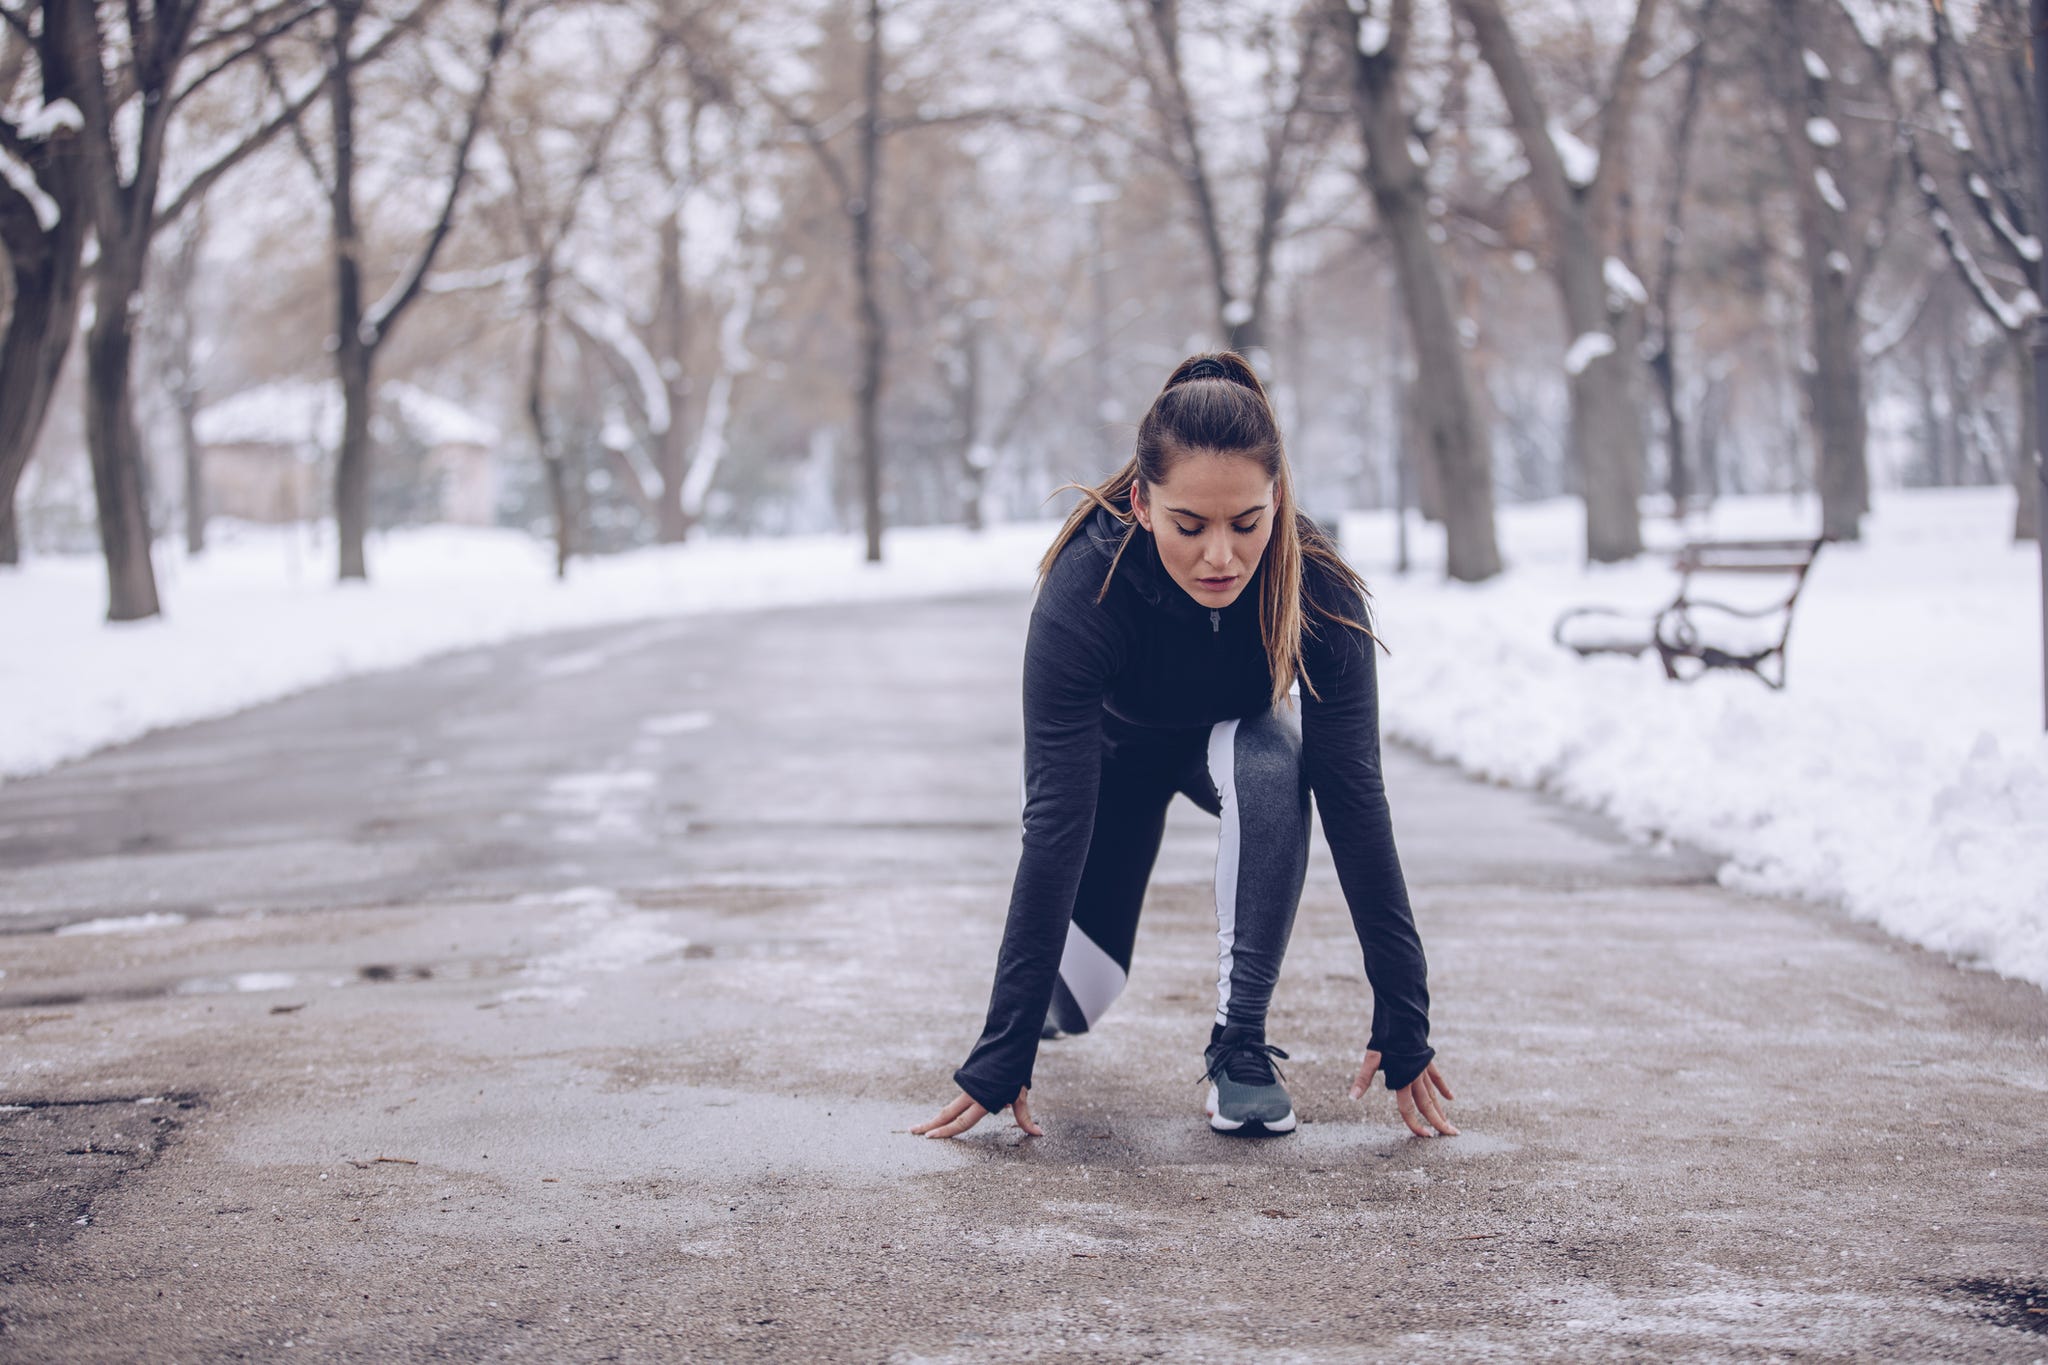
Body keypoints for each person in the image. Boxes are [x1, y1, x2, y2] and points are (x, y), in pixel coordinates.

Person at [913, 352, 1456, 1141]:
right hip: (1114, 767)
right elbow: (1055, 820)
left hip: (1226, 748)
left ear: (1278, 499)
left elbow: (1353, 793)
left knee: (1275, 759)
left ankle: (1240, 1046)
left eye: (1247, 523)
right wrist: (1005, 1045)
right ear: (1141, 500)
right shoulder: (1086, 587)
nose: (1221, 557)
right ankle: (1050, 1011)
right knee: (1082, 995)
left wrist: (1405, 1012)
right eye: (1189, 525)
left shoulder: (1318, 584)